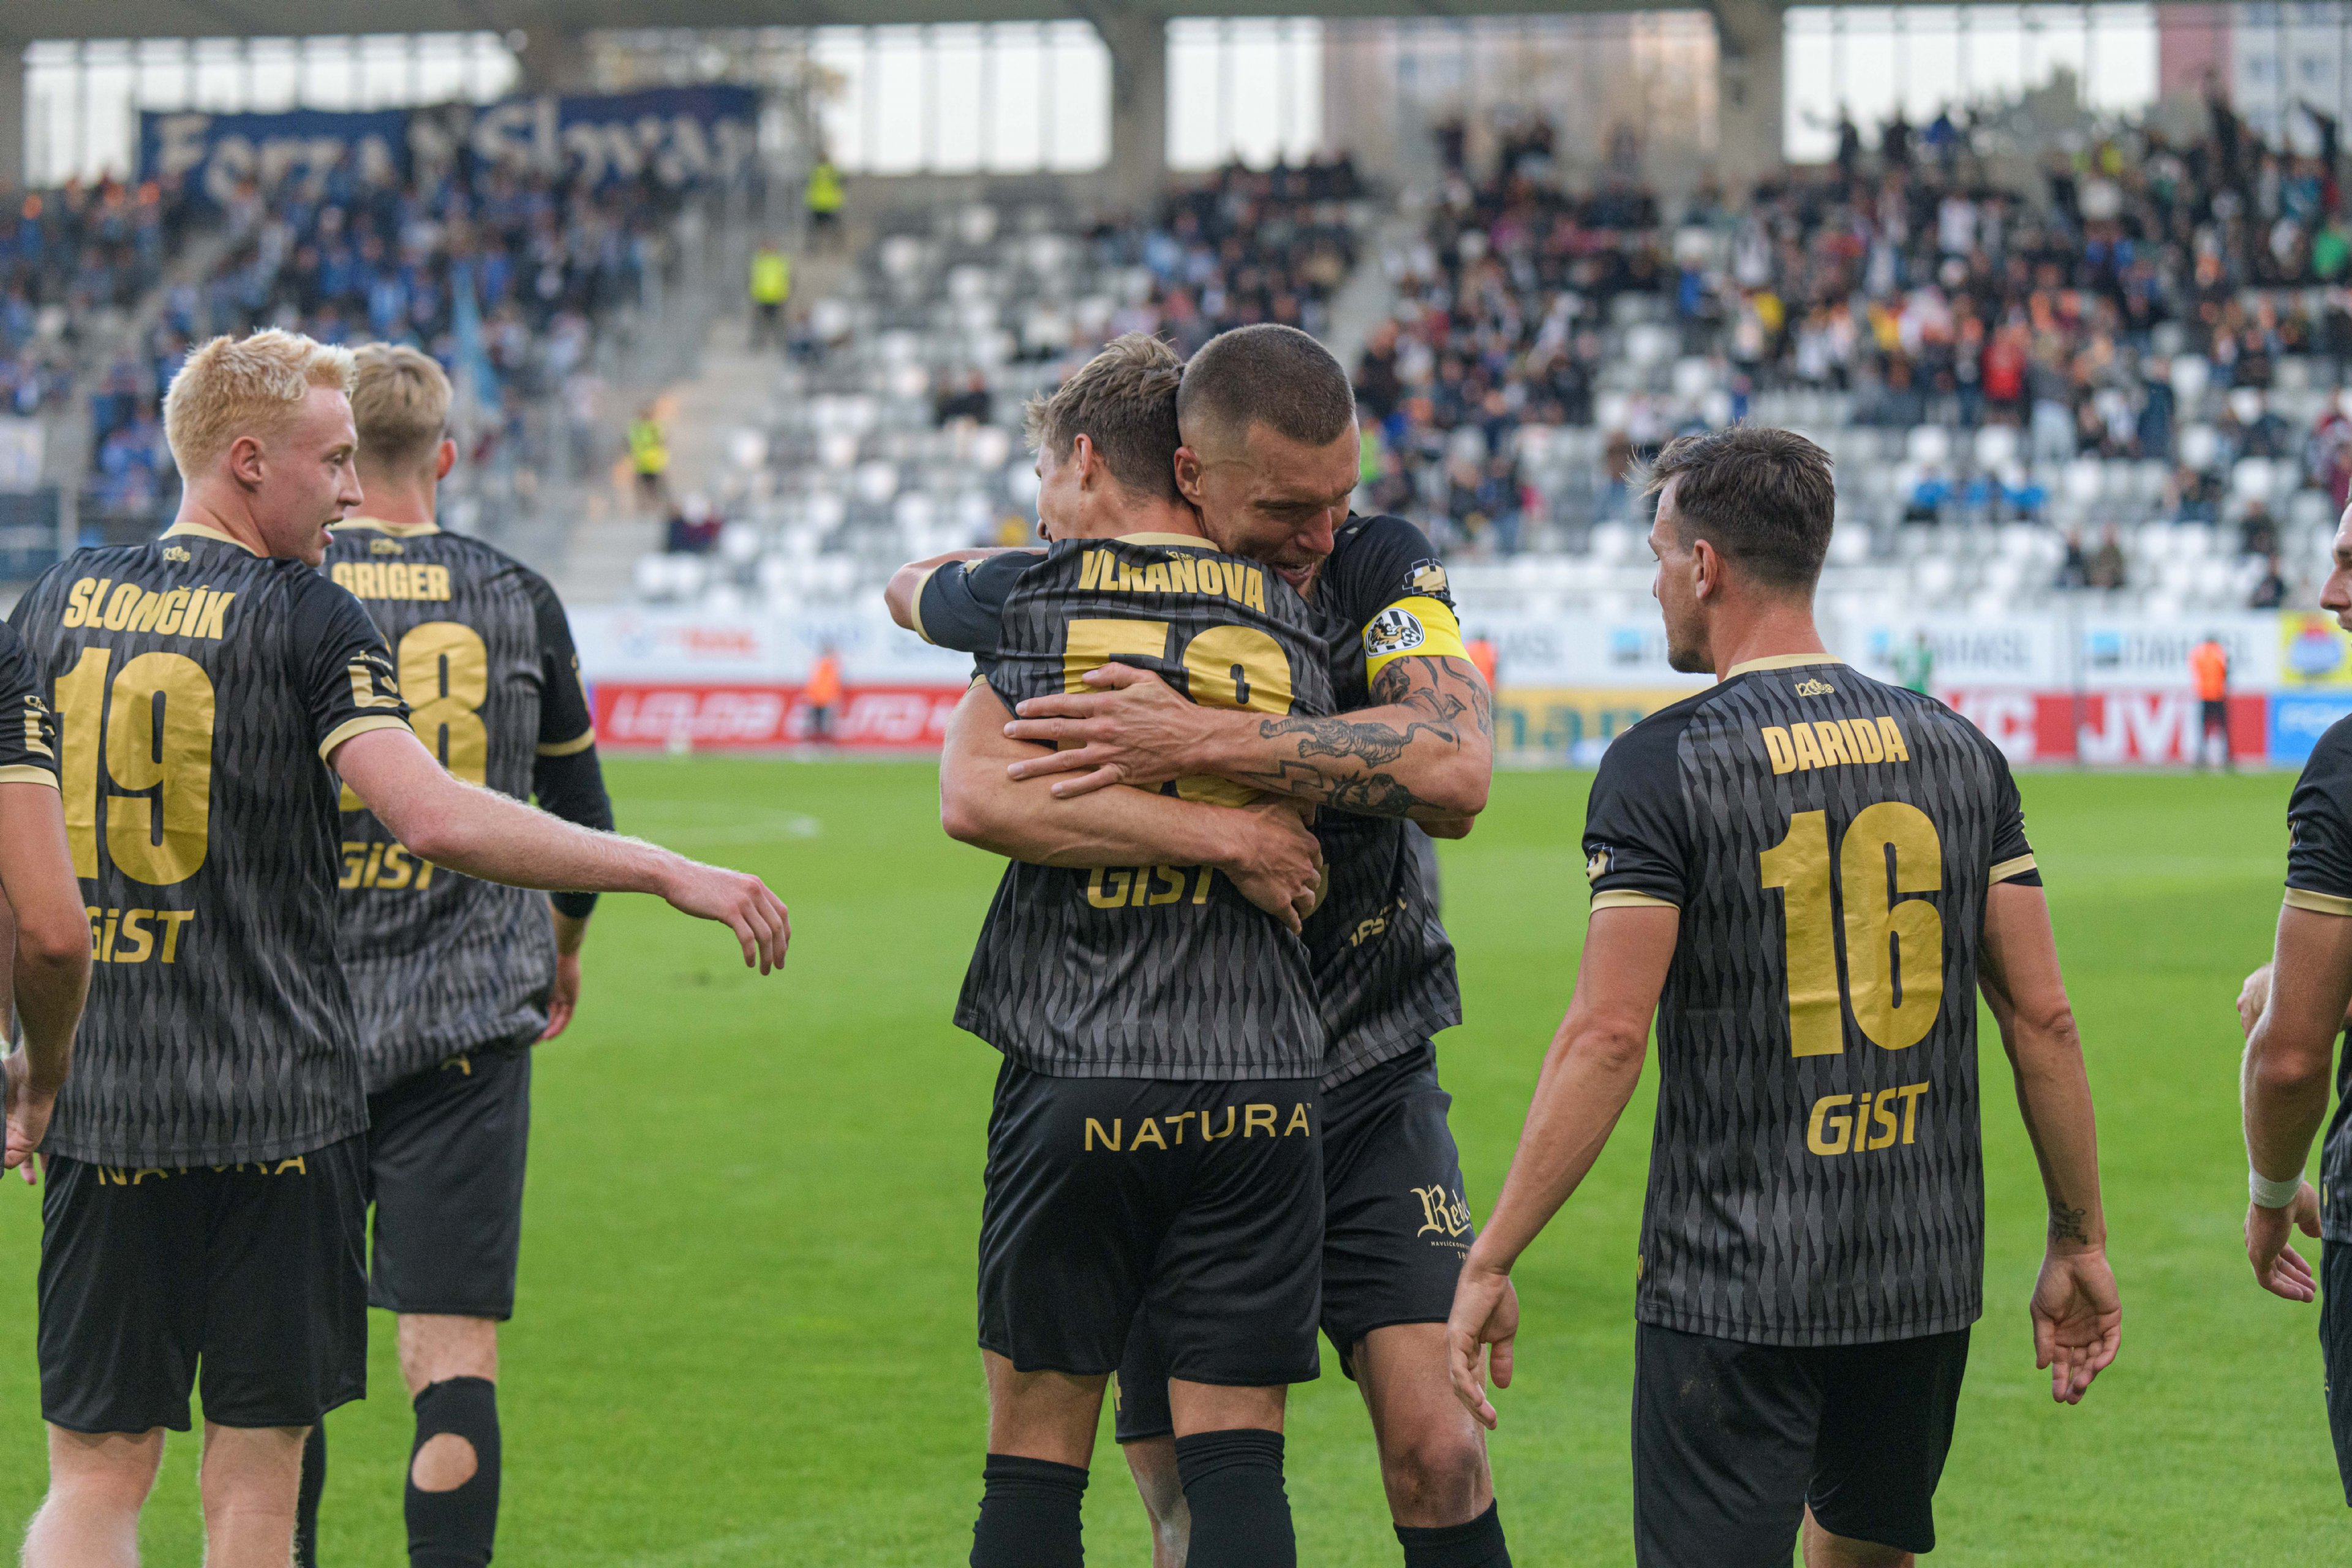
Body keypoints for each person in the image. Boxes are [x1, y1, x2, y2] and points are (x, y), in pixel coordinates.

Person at [11, 330, 789, 1568]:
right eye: (330, 462)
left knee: (96, 1478)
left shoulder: (49, 605)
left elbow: (39, 915)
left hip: (109, 1105)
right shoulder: (308, 613)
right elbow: (430, 815)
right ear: (249, 461)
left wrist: (38, 1064)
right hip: (280, 1106)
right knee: (255, 1481)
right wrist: (658, 866)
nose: (350, 490)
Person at [1444, 426, 2120, 1568]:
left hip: (1733, 1277)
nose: (1655, 583)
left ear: (1706, 566)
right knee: (1865, 1551)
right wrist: (2079, 1238)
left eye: (1661, 556)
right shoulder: (1960, 750)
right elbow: (2042, 1020)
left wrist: (1492, 1255)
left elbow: (1607, 1036)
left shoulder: (1663, 764)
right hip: (1918, 1269)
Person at [893, 326, 1510, 1568]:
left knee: (1439, 1449)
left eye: (1338, 497)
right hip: (1203, 1054)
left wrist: (1202, 740)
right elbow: (920, 593)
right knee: (1185, 1486)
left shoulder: (1379, 566)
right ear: (1191, 474)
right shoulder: (1094, 585)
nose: (1321, 533)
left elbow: (1455, 769)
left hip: (1365, 1061)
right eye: (1285, 507)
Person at [917, 330, 1338, 1568]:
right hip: (1261, 1073)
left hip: (1080, 1055)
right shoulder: (1294, 610)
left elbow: (977, 798)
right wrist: (1229, 836)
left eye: (1049, 475)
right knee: (1239, 1463)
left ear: (1090, 460)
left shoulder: (1044, 599)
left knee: (1035, 1458)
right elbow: (1307, 816)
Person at [296, 345, 618, 1568]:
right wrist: (564, 949)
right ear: (446, 454)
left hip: (298, 1016)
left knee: (285, 1366)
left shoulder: (289, 578)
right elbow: (581, 815)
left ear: (339, 453)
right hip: (470, 1018)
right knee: (452, 1354)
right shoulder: (516, 592)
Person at [2237, 505, 2352, 1508]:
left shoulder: (2345, 768)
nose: (2329, 594)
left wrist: (2273, 1196)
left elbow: (2290, 1058)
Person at [2192, 634, 2232, 770]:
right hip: (2218, 695)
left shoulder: (2200, 655)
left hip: (2204, 695)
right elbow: (2226, 673)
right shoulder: (2220, 654)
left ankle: (2201, 758)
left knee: (2203, 730)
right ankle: (2226, 758)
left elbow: (2196, 672)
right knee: (2223, 730)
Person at [748, 241, 791, 352]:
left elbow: (786, 278)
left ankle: (781, 346)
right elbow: (753, 278)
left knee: (778, 324)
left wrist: (784, 294)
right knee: (759, 324)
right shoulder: (759, 260)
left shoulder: (780, 260)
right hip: (761, 296)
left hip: (777, 297)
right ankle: (758, 345)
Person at [628, 406, 668, 511]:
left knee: (654, 487)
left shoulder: (653, 427)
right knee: (644, 488)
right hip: (642, 463)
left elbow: (661, 442)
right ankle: (646, 507)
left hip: (652, 463)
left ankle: (656, 506)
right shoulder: (638, 428)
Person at [805, 157, 845, 251]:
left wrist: (809, 200)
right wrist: (839, 200)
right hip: (830, 204)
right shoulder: (832, 171)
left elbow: (809, 185)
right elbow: (840, 184)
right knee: (835, 228)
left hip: (817, 204)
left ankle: (812, 248)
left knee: (813, 230)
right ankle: (837, 248)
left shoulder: (815, 171)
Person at [1893, 630, 1934, 695]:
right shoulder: (1908, 653)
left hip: (1918, 685)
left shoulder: (1926, 654)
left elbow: (1928, 671)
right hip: (1912, 685)